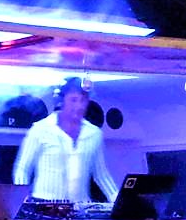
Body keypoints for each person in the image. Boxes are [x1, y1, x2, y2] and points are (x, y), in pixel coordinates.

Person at [13, 76, 118, 204]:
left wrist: (119, 202)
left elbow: (101, 174)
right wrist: (22, 202)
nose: (79, 106)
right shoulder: (40, 129)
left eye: (83, 100)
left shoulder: (94, 134)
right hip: (44, 208)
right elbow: (22, 169)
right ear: (61, 101)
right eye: (73, 100)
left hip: (80, 209)